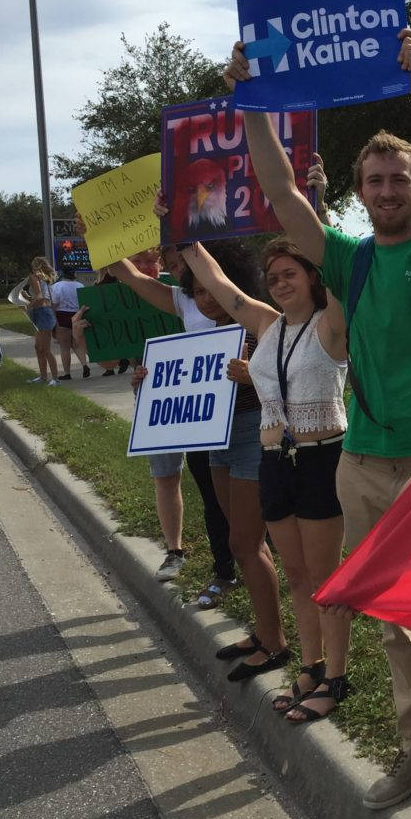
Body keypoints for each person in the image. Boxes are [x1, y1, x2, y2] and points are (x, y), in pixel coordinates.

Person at [228, 27, 411, 819]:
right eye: (375, 179)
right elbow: (280, 191)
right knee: (390, 626)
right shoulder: (349, 260)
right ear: (362, 188)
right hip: (363, 467)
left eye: (398, 178)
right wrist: (250, 104)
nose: (387, 188)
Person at [177, 234, 351, 720]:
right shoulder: (267, 325)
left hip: (320, 460)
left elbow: (337, 267)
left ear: (313, 277)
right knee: (296, 573)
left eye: (290, 273)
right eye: (272, 277)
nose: (279, 283)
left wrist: (317, 212)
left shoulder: (331, 326)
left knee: (325, 578)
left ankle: (336, 677)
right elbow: (219, 284)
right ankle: (312, 665)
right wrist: (185, 236)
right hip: (275, 462)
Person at [115, 243, 280, 667]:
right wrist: (149, 383)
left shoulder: (257, 325)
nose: (206, 298)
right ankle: (264, 634)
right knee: (240, 541)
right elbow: (135, 279)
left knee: (246, 542)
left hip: (252, 437)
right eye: (197, 291)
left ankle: (275, 642)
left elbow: (290, 386)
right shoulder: (194, 323)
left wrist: (251, 378)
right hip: (214, 440)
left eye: (212, 288)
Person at [50, 266, 90, 380]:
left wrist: (54, 322)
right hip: (77, 315)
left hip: (62, 315)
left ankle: (67, 373)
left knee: (65, 347)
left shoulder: (57, 286)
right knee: (77, 344)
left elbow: (54, 304)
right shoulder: (80, 285)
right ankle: (84, 364)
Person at [26, 256, 59, 385]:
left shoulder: (35, 277)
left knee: (45, 349)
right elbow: (41, 297)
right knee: (39, 347)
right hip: (43, 312)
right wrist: (28, 298)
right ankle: (43, 377)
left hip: (43, 313)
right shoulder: (44, 279)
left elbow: (40, 297)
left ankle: (55, 379)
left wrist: (29, 303)